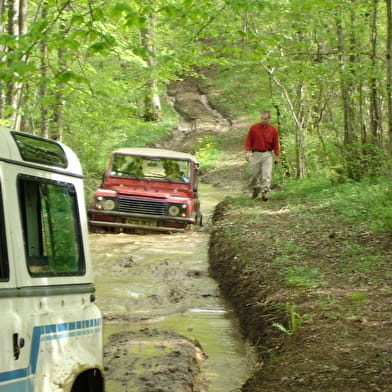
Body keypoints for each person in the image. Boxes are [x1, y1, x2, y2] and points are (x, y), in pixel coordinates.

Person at [245, 110, 280, 201]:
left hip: (267, 154)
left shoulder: (273, 130)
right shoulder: (254, 128)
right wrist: (247, 152)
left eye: (265, 119)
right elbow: (249, 140)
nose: (263, 120)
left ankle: (265, 192)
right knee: (253, 175)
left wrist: (277, 155)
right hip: (256, 153)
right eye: (262, 118)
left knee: (266, 174)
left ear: (269, 119)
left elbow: (276, 144)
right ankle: (256, 188)